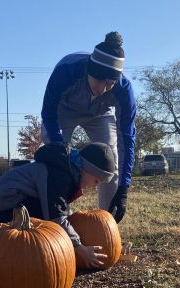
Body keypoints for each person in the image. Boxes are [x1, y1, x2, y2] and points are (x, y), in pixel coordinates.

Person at [41, 31, 136, 223]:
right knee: (55, 157)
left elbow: (127, 139)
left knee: (111, 159)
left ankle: (107, 224)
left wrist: (123, 187)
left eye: (109, 83)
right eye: (99, 80)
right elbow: (48, 116)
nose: (102, 89)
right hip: (64, 111)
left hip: (100, 114)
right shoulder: (66, 71)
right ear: (88, 71)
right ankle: (55, 217)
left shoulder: (124, 90)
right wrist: (62, 152)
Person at [0, 142, 116, 268]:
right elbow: (56, 215)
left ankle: (29, 250)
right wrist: (81, 248)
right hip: (2, 203)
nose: (94, 186)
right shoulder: (57, 174)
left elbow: (60, 207)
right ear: (86, 169)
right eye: (96, 181)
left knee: (52, 215)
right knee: (48, 218)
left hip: (10, 199)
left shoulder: (65, 168)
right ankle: (27, 255)